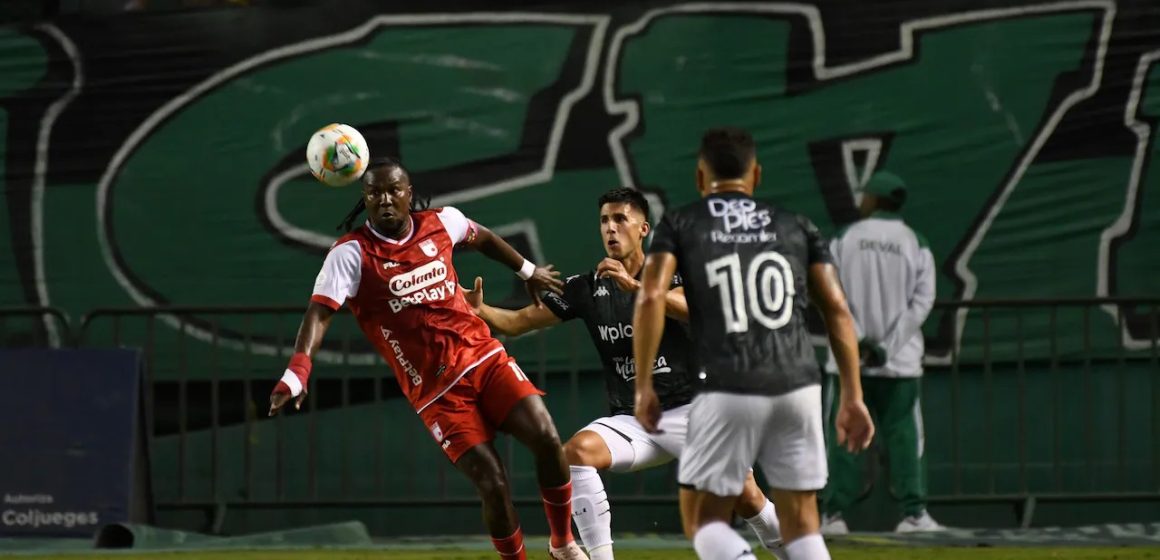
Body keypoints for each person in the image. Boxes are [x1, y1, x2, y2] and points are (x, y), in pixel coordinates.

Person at [268, 157, 589, 560]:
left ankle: (563, 543)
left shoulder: (444, 222)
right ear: (364, 199)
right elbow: (319, 313)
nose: (385, 199)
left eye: (393, 191)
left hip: (483, 357)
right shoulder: (351, 255)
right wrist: (298, 372)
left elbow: (484, 237)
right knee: (492, 483)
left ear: (409, 193)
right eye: (374, 193)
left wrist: (528, 271)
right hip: (437, 394)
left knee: (546, 438)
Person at [464, 187, 785, 559]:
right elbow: (518, 322)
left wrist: (638, 288)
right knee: (576, 453)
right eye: (604, 221)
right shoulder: (586, 287)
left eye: (620, 219)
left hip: (694, 410)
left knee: (746, 498)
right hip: (635, 420)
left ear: (643, 228)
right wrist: (483, 310)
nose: (610, 228)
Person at [632, 127, 875, 560]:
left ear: (700, 177)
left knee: (703, 522)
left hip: (728, 384)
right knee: (802, 525)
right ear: (757, 175)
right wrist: (853, 395)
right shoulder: (796, 224)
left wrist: (644, 384)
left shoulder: (683, 222)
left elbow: (651, 295)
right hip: (798, 385)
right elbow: (837, 308)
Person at [819, 171, 942, 534]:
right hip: (899, 364)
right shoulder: (915, 243)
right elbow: (923, 302)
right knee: (905, 437)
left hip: (847, 362)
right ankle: (914, 514)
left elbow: (830, 292)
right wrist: (886, 348)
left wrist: (856, 342)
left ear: (872, 200)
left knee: (842, 435)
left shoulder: (846, 238)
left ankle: (832, 516)